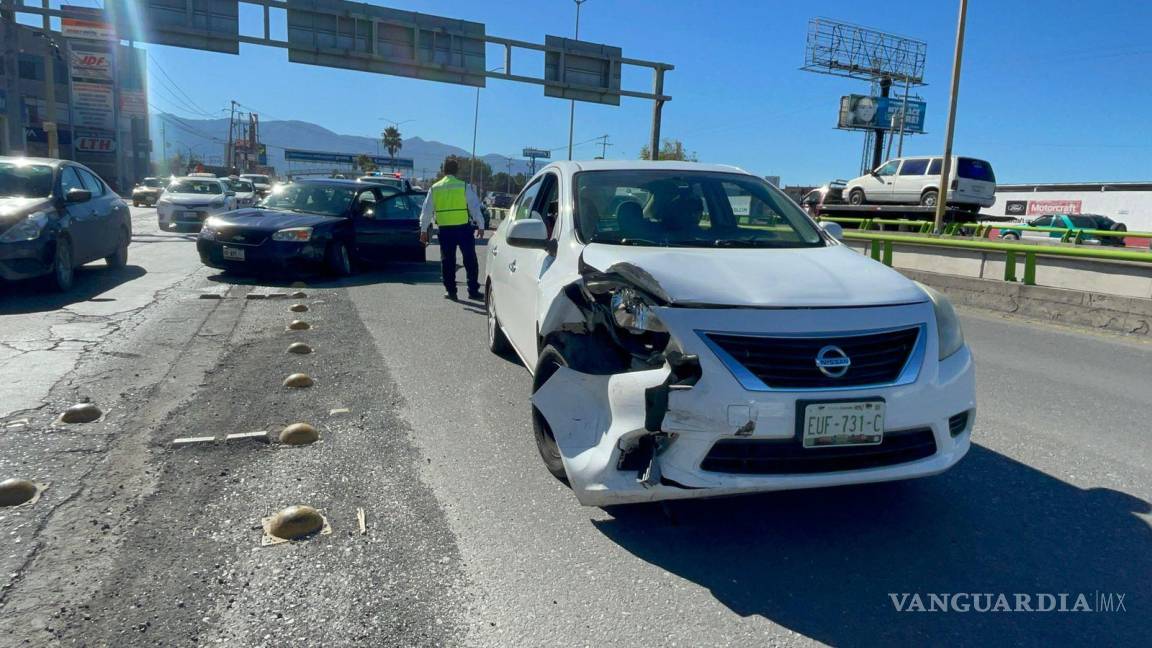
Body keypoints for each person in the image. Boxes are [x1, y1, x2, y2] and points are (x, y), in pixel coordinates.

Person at [419, 159, 486, 301]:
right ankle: (473, 291)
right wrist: (480, 225)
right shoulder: (463, 186)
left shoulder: (435, 188)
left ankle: (451, 292)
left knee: (447, 262)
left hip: (445, 230)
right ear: (456, 171)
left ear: (444, 170)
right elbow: (474, 207)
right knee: (470, 260)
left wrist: (423, 230)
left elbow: (427, 211)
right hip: (463, 229)